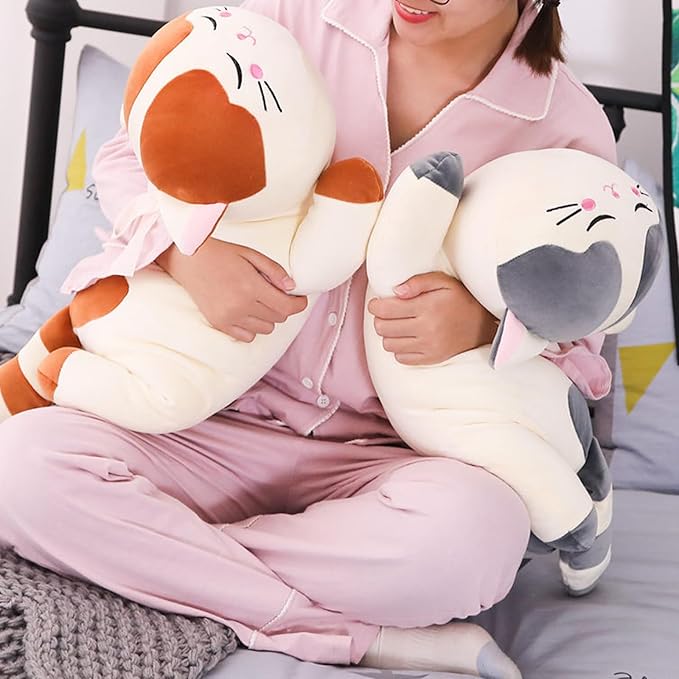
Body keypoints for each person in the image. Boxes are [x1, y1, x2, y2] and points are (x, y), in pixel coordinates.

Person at [0, 0, 616, 675]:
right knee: (18, 463)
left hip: (388, 458)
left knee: (475, 539)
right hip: (198, 419)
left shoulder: (568, 129)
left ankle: (154, 549)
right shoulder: (287, 18)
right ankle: (345, 633)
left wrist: (483, 327)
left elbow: (579, 334)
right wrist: (184, 252)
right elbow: (130, 156)